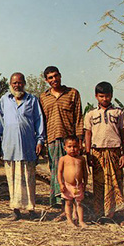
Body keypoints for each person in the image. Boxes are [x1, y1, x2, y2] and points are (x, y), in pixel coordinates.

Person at [0, 72, 45, 221]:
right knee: (12, 180)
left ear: (24, 84)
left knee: (29, 179)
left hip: (28, 146)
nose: (17, 85)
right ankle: (15, 211)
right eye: (14, 83)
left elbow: (39, 120)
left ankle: (31, 210)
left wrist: (40, 141)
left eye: (20, 82)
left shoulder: (32, 100)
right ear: (10, 84)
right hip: (10, 146)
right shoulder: (4, 100)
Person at [39, 66, 85, 219]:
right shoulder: (43, 97)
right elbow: (42, 121)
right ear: (46, 80)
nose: (54, 80)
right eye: (50, 78)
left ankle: (74, 208)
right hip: (52, 139)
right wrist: (42, 141)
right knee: (56, 173)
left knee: (71, 174)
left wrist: (79, 140)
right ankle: (61, 208)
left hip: (70, 142)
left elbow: (79, 117)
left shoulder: (72, 93)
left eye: (56, 76)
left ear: (60, 76)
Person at [84, 81, 124, 222]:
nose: (105, 99)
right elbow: (88, 134)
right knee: (99, 183)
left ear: (112, 96)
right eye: (102, 96)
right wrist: (88, 153)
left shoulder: (119, 113)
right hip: (97, 153)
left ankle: (118, 215)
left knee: (116, 182)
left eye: (108, 96)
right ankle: (100, 214)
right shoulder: (91, 114)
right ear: (96, 96)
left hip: (114, 151)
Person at [57, 135, 88, 228]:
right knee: (68, 203)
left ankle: (81, 221)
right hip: (67, 185)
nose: (72, 149)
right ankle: (69, 220)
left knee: (79, 203)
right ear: (65, 148)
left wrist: (85, 182)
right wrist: (61, 184)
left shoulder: (81, 159)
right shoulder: (63, 159)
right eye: (69, 147)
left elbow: (85, 171)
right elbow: (59, 172)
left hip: (78, 186)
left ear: (79, 147)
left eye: (75, 146)